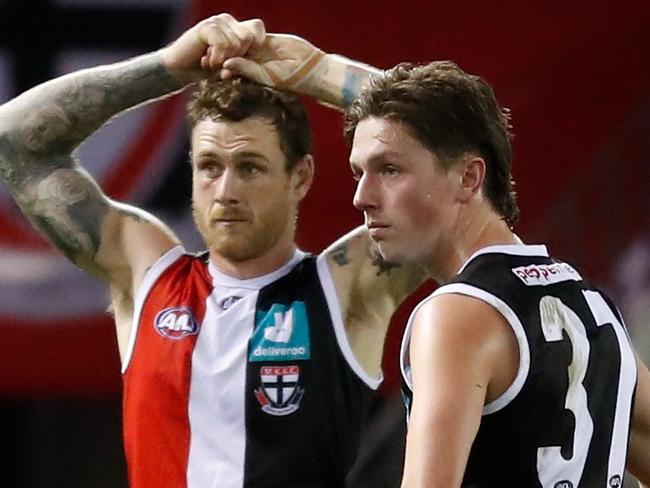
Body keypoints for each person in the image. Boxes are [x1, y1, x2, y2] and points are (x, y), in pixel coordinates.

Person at [0, 14, 425, 488]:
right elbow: (15, 141)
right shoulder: (145, 270)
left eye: (249, 167)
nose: (225, 190)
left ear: (300, 176)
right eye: (209, 166)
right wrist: (169, 67)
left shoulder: (349, 287)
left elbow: (469, 151)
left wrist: (317, 72)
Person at [336, 61, 650, 486]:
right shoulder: (592, 304)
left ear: (469, 177)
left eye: (389, 169)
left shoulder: (454, 317)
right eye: (359, 172)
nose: (361, 197)